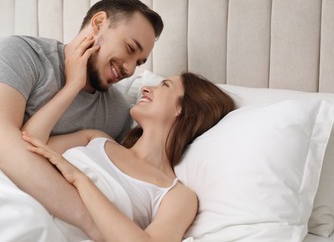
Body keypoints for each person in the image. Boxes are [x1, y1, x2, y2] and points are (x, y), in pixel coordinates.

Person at [0, 0, 163, 241]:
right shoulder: (22, 54)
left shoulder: (116, 112)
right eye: (129, 49)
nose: (129, 69)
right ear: (99, 23)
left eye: (139, 62)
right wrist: (94, 225)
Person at [20, 69, 236, 241]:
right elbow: (24, 144)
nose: (145, 88)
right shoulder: (94, 138)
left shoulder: (176, 196)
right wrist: (73, 85)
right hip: (19, 202)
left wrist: (80, 180)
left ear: (183, 108)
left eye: (165, 85)